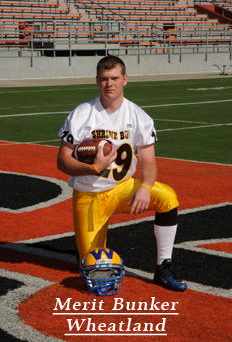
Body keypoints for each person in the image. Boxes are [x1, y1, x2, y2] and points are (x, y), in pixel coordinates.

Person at [57, 56, 187, 292]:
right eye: (104, 79)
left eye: (115, 78)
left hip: (122, 188)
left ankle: (163, 268)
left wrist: (146, 187)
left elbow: (148, 161)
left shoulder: (138, 115)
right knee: (94, 275)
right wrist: (92, 168)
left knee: (167, 197)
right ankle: (88, 250)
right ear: (97, 81)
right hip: (89, 194)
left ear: (125, 79)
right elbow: (63, 160)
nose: (110, 84)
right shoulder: (81, 114)